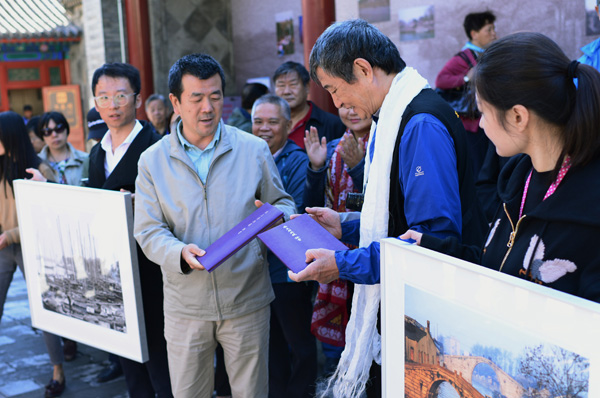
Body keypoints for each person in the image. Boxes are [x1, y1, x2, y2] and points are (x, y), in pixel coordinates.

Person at [289, 19, 486, 397]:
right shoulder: (392, 117)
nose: (336, 103)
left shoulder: (419, 123)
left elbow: (432, 240)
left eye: (334, 88)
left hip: (432, 310)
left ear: (363, 69)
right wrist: (345, 226)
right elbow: (399, 216)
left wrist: (342, 265)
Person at [134, 53, 295, 398]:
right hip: (185, 304)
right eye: (196, 98)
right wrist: (178, 252)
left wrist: (274, 219)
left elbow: (282, 202)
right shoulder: (152, 161)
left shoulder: (253, 149)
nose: (208, 107)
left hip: (247, 299)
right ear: (175, 102)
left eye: (216, 96)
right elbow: (147, 229)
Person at [402, 32, 600, 303]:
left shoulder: (590, 204)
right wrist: (436, 249)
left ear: (518, 116)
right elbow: (501, 267)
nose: (481, 125)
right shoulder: (519, 178)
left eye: (483, 112)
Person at [88, 62, 172, 397]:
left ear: (136, 99)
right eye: (103, 97)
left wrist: (145, 203)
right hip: (114, 269)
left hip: (152, 270)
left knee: (160, 357)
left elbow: (180, 206)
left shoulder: (159, 147)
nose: (112, 104)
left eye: (120, 95)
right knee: (127, 356)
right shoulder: (97, 153)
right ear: (95, 102)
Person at [251, 94, 315, 398]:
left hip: (286, 269)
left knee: (299, 343)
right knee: (270, 344)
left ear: (288, 125)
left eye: (272, 122)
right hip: (253, 270)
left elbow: (296, 211)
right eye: (258, 121)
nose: (264, 128)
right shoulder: (246, 156)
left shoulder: (298, 160)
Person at [303, 107, 372, 375]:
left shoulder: (386, 144)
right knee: (335, 359)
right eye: (344, 105)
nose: (351, 111)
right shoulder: (331, 147)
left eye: (357, 103)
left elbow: (383, 208)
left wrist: (358, 168)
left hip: (369, 259)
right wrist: (316, 167)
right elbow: (311, 208)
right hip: (333, 261)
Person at [0, 112, 57, 395]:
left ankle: (58, 370)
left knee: (45, 309)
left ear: (10, 136)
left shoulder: (39, 170)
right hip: (2, 249)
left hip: (31, 247)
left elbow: (48, 214)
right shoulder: (0, 167)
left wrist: (8, 235)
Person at [435, 11, 497, 176]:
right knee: (478, 170)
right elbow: (441, 80)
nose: (494, 34)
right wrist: (465, 78)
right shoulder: (463, 58)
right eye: (488, 30)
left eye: (493, 29)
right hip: (471, 126)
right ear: (474, 34)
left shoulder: (483, 54)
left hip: (485, 121)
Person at [274, 61, 345, 148]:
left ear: (307, 87)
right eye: (281, 85)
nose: (286, 92)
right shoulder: (267, 123)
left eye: (293, 85)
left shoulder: (332, 124)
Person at [37, 112, 88, 186]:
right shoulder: (37, 162)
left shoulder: (85, 159)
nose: (54, 135)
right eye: (47, 131)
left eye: (58, 129)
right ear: (42, 136)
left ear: (66, 129)